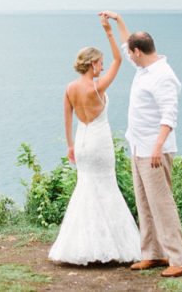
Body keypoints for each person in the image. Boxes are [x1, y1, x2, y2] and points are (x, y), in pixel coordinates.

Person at [99, 10, 182, 278]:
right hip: (138, 146)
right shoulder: (144, 65)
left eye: (131, 52)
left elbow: (169, 115)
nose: (129, 55)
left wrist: (157, 147)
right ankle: (154, 254)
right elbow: (128, 41)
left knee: (162, 204)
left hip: (154, 150)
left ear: (139, 52)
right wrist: (118, 22)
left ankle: (179, 259)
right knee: (145, 204)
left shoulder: (163, 76)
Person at [47, 15, 141, 265]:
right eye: (100, 63)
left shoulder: (70, 88)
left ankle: (80, 246)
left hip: (81, 141)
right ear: (91, 64)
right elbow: (120, 60)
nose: (103, 66)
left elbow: (67, 119)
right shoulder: (97, 88)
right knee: (106, 187)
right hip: (99, 142)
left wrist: (69, 146)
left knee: (85, 188)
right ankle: (110, 246)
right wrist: (109, 31)